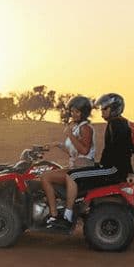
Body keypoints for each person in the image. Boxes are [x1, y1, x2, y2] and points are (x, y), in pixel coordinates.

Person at [48, 93, 134, 230]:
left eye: (104, 109)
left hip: (111, 170)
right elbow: (125, 152)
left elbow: (124, 152)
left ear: (114, 109)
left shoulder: (117, 125)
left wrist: (128, 172)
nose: (102, 111)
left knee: (73, 175)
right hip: (110, 167)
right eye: (101, 109)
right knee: (77, 173)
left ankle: (67, 216)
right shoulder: (117, 124)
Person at [39, 96, 96, 230]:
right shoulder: (77, 127)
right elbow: (73, 152)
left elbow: (85, 150)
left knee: (45, 177)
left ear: (84, 112)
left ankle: (57, 215)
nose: (73, 114)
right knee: (49, 172)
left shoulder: (85, 128)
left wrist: (70, 135)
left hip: (82, 166)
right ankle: (57, 210)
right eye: (72, 111)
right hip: (75, 164)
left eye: (76, 111)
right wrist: (57, 145)